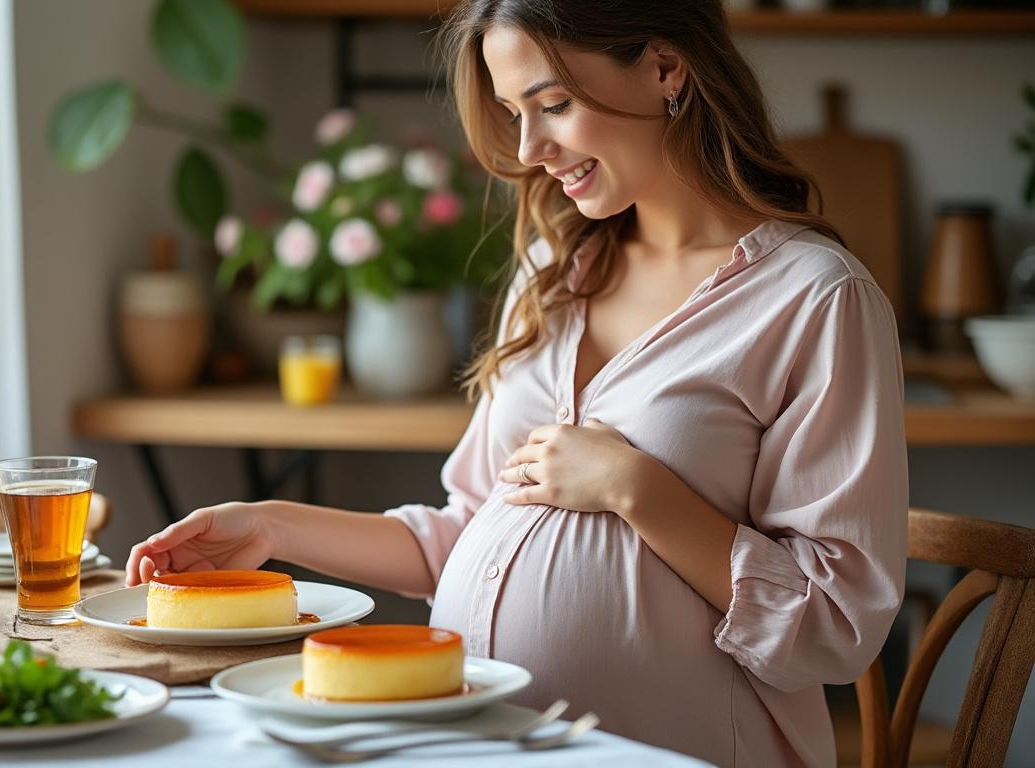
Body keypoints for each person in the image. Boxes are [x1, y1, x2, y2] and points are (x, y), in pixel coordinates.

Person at [127, 1, 907, 765]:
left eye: (554, 105)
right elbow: (467, 529)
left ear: (666, 69)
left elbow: (834, 625)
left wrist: (638, 489)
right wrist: (273, 529)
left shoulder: (814, 297)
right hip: (486, 743)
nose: (530, 147)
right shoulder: (553, 273)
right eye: (513, 113)